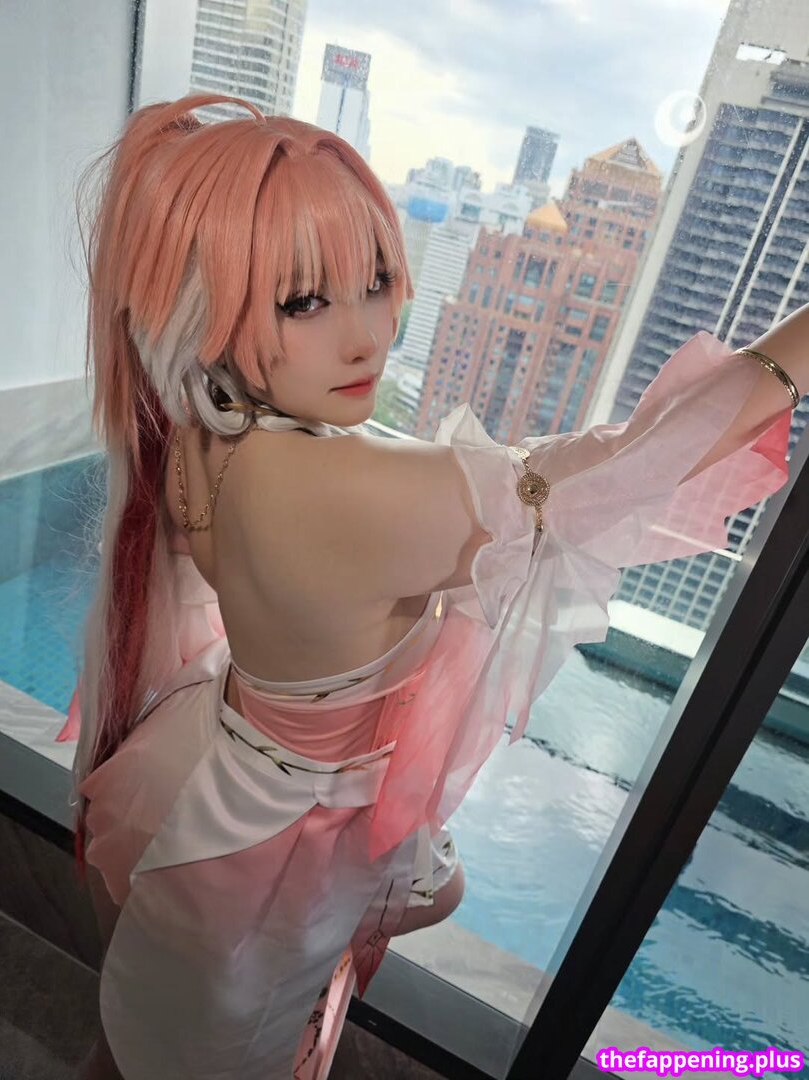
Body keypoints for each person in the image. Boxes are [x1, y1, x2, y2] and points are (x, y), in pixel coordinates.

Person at [62, 92, 804, 1079]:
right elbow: (623, 471)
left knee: (148, 1031)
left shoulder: (206, 434)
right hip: (280, 856)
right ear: (209, 314)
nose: (369, 336)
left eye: (378, 280)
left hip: (222, 780)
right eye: (304, 302)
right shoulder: (343, 491)